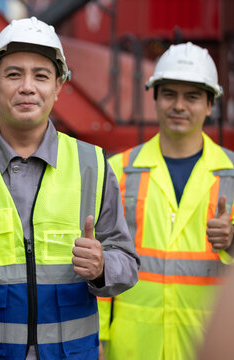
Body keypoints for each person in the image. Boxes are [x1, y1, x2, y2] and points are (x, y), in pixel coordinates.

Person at [0, 17, 139, 359]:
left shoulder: (90, 163)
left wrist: (102, 266)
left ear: (59, 86)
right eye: (14, 74)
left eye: (41, 75)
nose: (27, 87)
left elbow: (127, 261)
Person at [98, 42, 234, 360]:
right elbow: (102, 266)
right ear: (155, 98)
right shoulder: (118, 171)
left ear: (210, 104)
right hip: (131, 348)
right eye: (170, 94)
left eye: (192, 97)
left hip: (206, 346)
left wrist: (231, 242)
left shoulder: (233, 174)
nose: (179, 106)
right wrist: (98, 339)